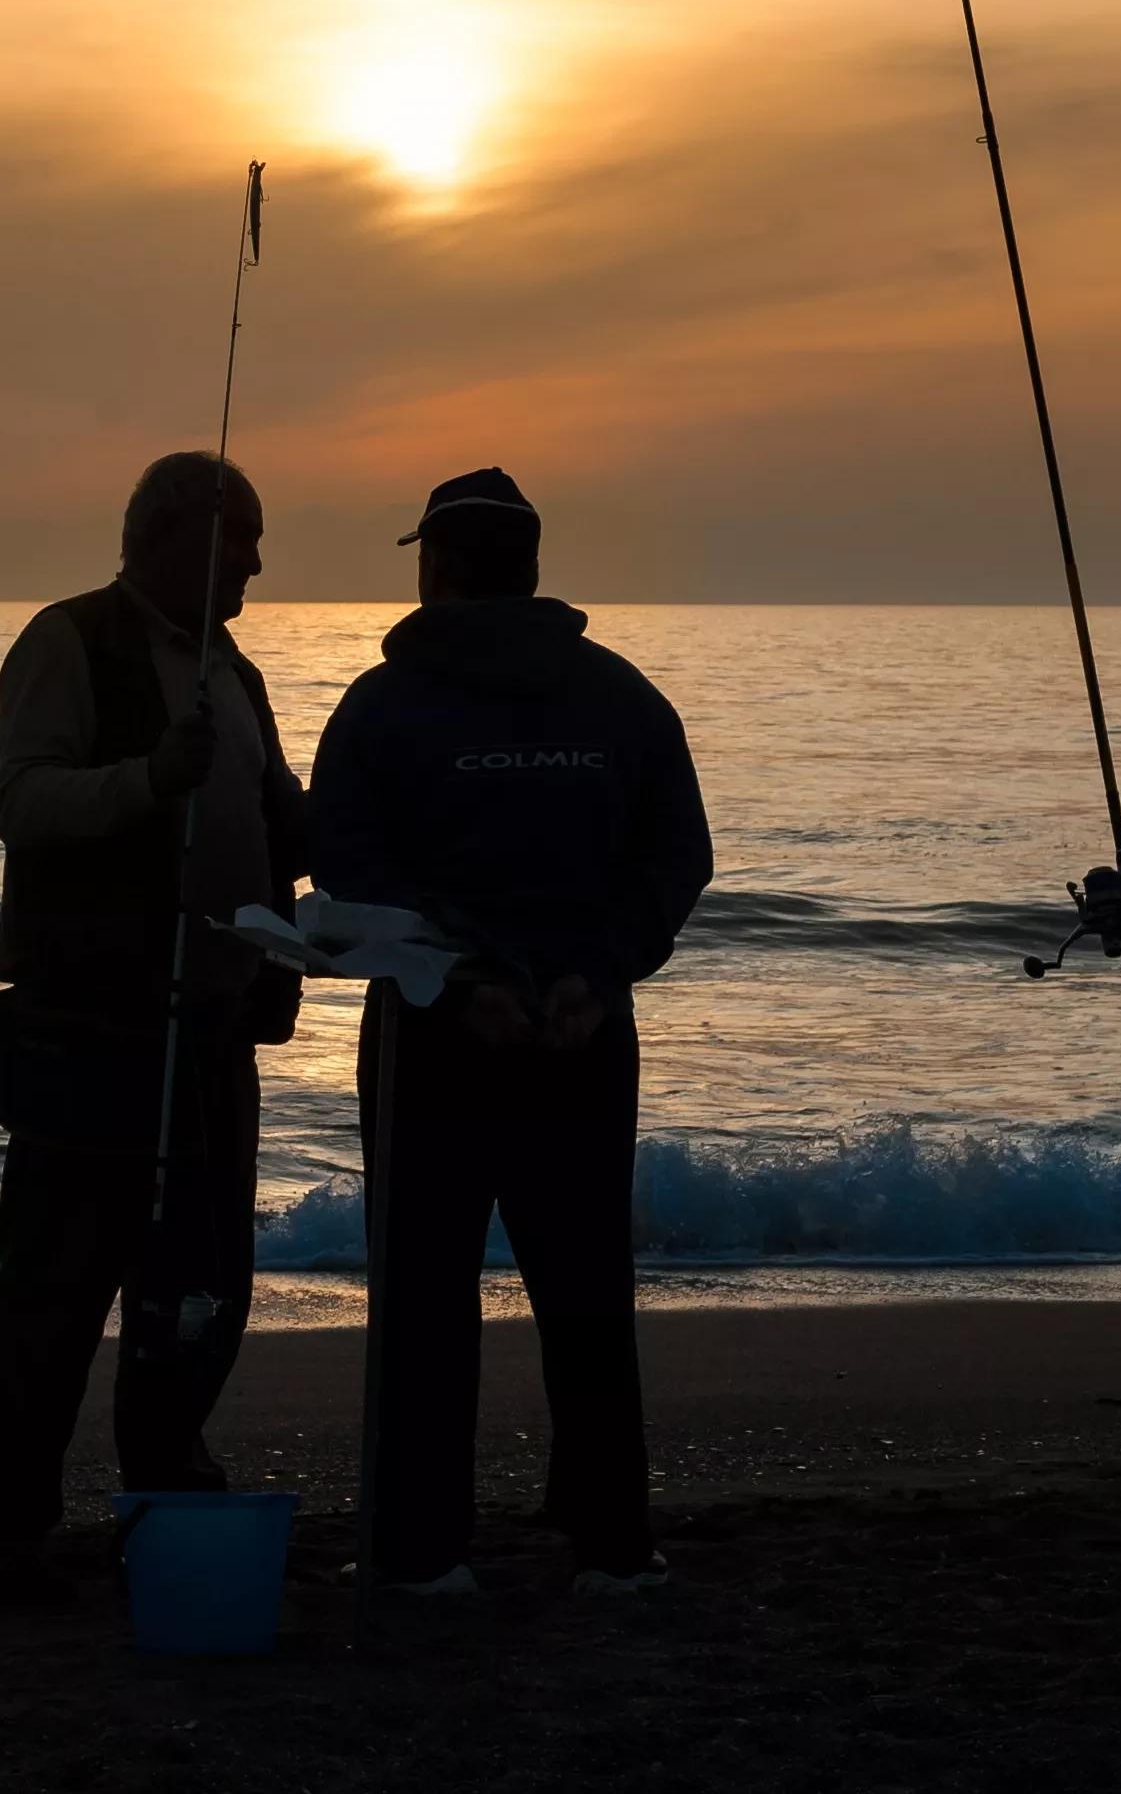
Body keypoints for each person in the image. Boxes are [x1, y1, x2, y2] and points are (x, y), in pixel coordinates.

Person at [309, 465, 712, 1597]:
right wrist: (595, 972)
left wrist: (458, 977)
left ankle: (419, 1552)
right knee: (586, 1289)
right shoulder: (622, 696)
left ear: (436, 567)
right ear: (532, 571)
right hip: (580, 1032)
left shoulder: (380, 705)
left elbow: (341, 860)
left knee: (424, 1294)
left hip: (433, 1035)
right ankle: (611, 1548)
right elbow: (675, 859)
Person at [0, 451, 307, 1595]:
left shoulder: (234, 671)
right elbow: (22, 803)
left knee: (200, 1280)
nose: (255, 557)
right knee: (55, 1284)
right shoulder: (68, 640)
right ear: (173, 533)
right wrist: (150, 777)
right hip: (91, 1027)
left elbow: (274, 817)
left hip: (209, 1025)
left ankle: (166, 1478)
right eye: (240, 535)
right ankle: (3, 1522)